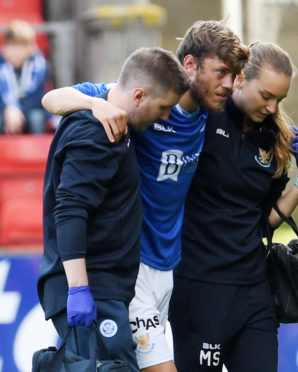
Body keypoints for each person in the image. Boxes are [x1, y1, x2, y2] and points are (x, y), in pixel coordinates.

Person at [41, 20, 249, 372]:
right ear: (190, 66)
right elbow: (51, 98)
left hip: (170, 267)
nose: (228, 84)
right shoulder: (144, 103)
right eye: (221, 72)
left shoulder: (212, 112)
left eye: (234, 75)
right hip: (131, 267)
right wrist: (96, 104)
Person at [37, 46, 189, 372]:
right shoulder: (97, 132)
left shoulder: (115, 120)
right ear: (138, 95)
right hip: (93, 286)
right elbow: (71, 210)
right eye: (163, 107)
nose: (165, 117)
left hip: (105, 287)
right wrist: (79, 289)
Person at [169, 41, 298, 371]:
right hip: (200, 286)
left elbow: (266, 221)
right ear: (239, 80)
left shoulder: (273, 140)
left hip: (253, 289)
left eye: (280, 99)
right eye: (266, 95)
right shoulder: (202, 117)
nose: (272, 107)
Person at [0, 19, 50, 134]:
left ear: (30, 48)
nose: (14, 52)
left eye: (20, 47)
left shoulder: (40, 66)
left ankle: (40, 151)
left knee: (36, 118)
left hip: (31, 111)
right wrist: (9, 109)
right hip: (5, 112)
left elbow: (38, 99)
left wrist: (17, 111)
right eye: (11, 46)